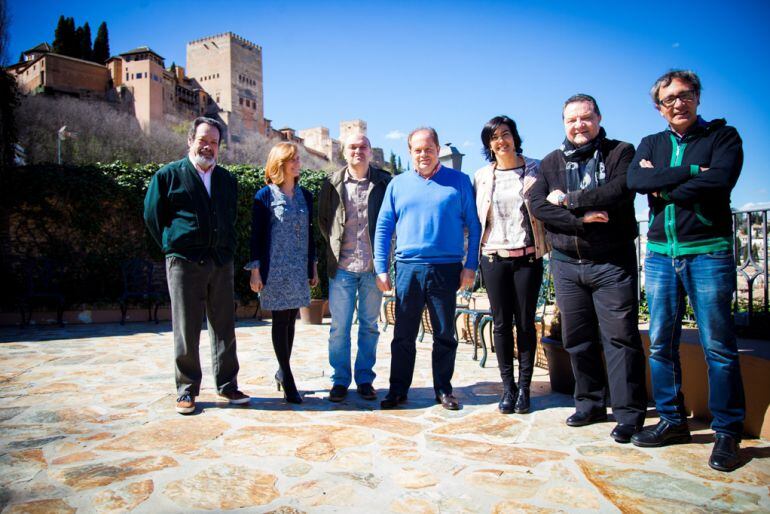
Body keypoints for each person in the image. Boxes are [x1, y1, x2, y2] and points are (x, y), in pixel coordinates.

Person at [626, 70, 745, 471]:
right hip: (660, 254)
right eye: (669, 99)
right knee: (660, 342)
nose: (679, 103)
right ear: (659, 108)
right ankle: (672, 420)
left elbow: (722, 180)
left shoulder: (722, 137)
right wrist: (696, 172)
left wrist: (666, 185)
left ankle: (728, 431)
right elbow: (636, 179)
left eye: (686, 95)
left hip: (707, 253)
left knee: (719, 347)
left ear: (697, 97)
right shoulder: (651, 143)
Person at [529, 94, 647, 443]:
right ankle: (590, 403)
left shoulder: (620, 152)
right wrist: (580, 219)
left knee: (620, 339)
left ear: (598, 117)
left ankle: (628, 413)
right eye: (572, 120)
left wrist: (569, 200)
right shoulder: (551, 163)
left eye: (585, 118)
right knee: (577, 339)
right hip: (566, 265)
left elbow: (619, 191)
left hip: (611, 263)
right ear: (564, 123)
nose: (579, 126)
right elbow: (537, 205)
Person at [144, 117, 250, 415]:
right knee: (186, 328)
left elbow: (229, 218)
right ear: (190, 140)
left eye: (214, 142)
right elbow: (153, 217)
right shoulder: (168, 176)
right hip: (184, 262)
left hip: (220, 261)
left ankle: (228, 385)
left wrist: (226, 250)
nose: (208, 146)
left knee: (224, 326)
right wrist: (174, 245)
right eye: (203, 140)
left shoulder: (227, 180)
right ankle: (186, 390)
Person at [374, 127, 481, 411]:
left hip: (446, 269)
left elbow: (474, 224)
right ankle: (398, 390)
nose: (423, 154)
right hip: (408, 267)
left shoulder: (459, 181)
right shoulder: (397, 184)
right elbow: (384, 227)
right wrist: (380, 267)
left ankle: (444, 389)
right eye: (417, 150)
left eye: (428, 149)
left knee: (445, 333)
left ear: (437, 150)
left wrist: (470, 266)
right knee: (403, 335)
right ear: (410, 153)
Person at [473, 116, 548, 415]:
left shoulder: (536, 169)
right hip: (493, 258)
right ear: (488, 145)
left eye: (505, 134)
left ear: (515, 137)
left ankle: (525, 389)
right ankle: (508, 388)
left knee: (526, 324)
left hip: (528, 258)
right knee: (502, 324)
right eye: (494, 137)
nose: (500, 140)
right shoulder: (481, 176)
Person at [319, 133, 391, 402]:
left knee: (370, 326)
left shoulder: (384, 181)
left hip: (374, 267)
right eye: (352, 147)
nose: (358, 151)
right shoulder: (331, 182)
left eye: (363, 147)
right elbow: (324, 222)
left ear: (370, 151)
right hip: (342, 268)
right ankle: (339, 380)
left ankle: (364, 379)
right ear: (344, 152)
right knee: (339, 327)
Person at [248, 142, 318, 404]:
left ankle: (281, 371)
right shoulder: (264, 196)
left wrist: (313, 265)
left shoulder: (306, 196)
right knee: (280, 321)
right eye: (293, 159)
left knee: (291, 321)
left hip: (298, 268)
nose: (298, 163)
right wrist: (255, 271)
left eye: (298, 159)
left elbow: (310, 236)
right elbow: (256, 237)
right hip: (274, 269)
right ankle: (288, 378)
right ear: (280, 164)